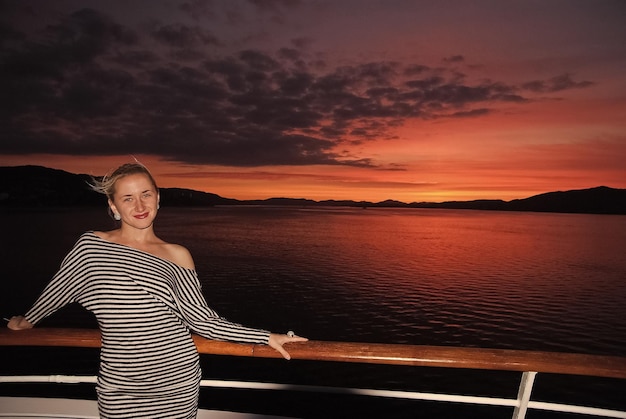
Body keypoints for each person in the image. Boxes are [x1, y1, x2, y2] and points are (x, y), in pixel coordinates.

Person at [7, 162, 307, 418]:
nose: (139, 206)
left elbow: (202, 321)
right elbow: (61, 286)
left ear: (158, 198)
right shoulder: (92, 246)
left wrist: (265, 337)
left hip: (176, 383)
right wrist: (30, 319)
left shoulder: (178, 254)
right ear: (112, 206)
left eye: (146, 194)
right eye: (127, 198)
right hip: (120, 385)